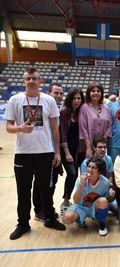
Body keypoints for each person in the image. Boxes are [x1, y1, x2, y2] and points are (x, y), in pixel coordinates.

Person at [4, 67, 65, 240]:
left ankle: (50, 219)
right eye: (28, 78)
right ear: (24, 81)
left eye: (34, 78)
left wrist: (57, 152)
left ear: (41, 81)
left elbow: (55, 128)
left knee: (46, 189)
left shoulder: (48, 100)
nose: (31, 81)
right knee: (23, 190)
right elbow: (8, 127)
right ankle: (23, 223)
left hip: (45, 152)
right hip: (22, 153)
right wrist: (20, 128)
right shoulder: (15, 100)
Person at [32, 82, 65, 221]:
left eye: (61, 93)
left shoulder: (57, 109)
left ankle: (46, 208)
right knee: (41, 183)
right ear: (48, 93)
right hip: (41, 153)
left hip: (53, 152)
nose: (58, 95)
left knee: (51, 183)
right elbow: (35, 130)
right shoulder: (40, 107)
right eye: (56, 93)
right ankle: (40, 210)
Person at [62, 157, 110, 236]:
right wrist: (81, 185)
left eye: (93, 167)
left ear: (99, 171)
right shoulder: (80, 180)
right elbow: (76, 201)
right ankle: (79, 219)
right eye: (89, 166)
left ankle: (101, 224)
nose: (89, 169)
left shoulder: (105, 182)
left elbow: (106, 201)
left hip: (94, 207)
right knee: (67, 218)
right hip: (80, 206)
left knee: (103, 201)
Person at [59, 88, 85, 215]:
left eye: (79, 98)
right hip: (65, 149)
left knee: (77, 175)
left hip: (78, 149)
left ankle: (76, 201)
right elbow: (62, 133)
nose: (77, 101)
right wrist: (67, 152)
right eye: (74, 98)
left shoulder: (81, 112)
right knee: (72, 173)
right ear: (70, 99)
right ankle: (65, 200)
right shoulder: (64, 112)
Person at [79, 81, 112, 158]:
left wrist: (102, 143)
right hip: (87, 146)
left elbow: (109, 126)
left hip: (101, 148)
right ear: (89, 93)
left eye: (98, 91)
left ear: (101, 93)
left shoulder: (106, 108)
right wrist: (89, 147)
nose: (96, 93)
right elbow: (83, 128)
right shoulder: (84, 107)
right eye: (93, 91)